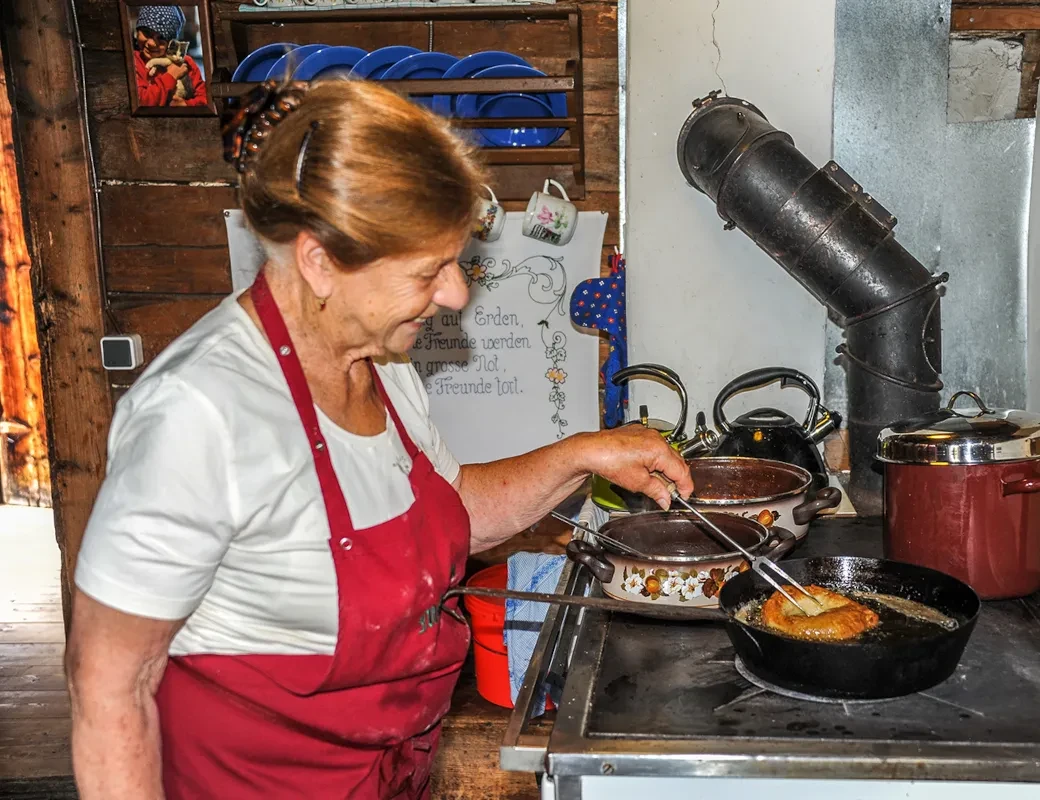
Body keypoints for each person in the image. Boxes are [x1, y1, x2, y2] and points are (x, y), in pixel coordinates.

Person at [65, 79, 693, 799]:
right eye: (429, 271)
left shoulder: (383, 365)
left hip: (389, 777)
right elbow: (109, 685)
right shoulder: (199, 410)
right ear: (320, 260)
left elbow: (448, 508)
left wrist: (583, 452)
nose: (457, 294)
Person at [132, 6, 208, 108]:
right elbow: (140, 103)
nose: (152, 43)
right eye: (147, 33)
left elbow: (206, 98)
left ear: (171, 43)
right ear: (137, 31)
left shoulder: (186, 63)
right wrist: (171, 75)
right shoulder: (133, 62)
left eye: (161, 38)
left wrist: (186, 104)